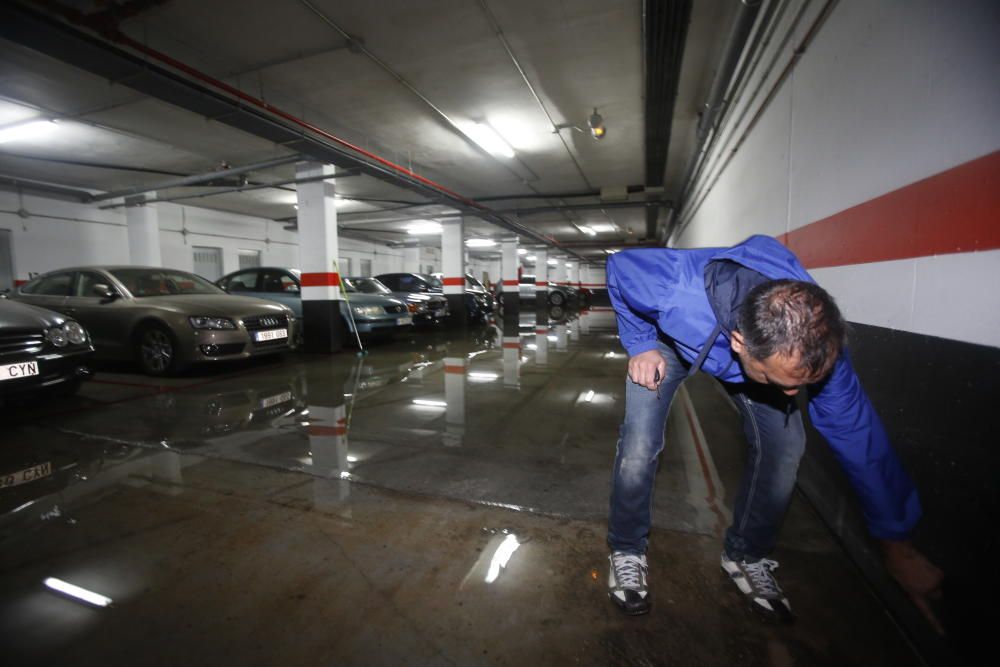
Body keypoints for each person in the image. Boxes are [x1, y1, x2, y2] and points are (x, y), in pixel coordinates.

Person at [605, 235, 943, 627]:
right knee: (639, 443)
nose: (791, 394)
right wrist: (641, 343)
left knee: (786, 446)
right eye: (780, 381)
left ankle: (746, 555)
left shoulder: (818, 343)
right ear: (740, 342)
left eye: (799, 383)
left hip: (745, 359)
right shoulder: (673, 285)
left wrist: (896, 543)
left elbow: (857, 435)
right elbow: (620, 267)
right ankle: (627, 549)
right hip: (664, 341)